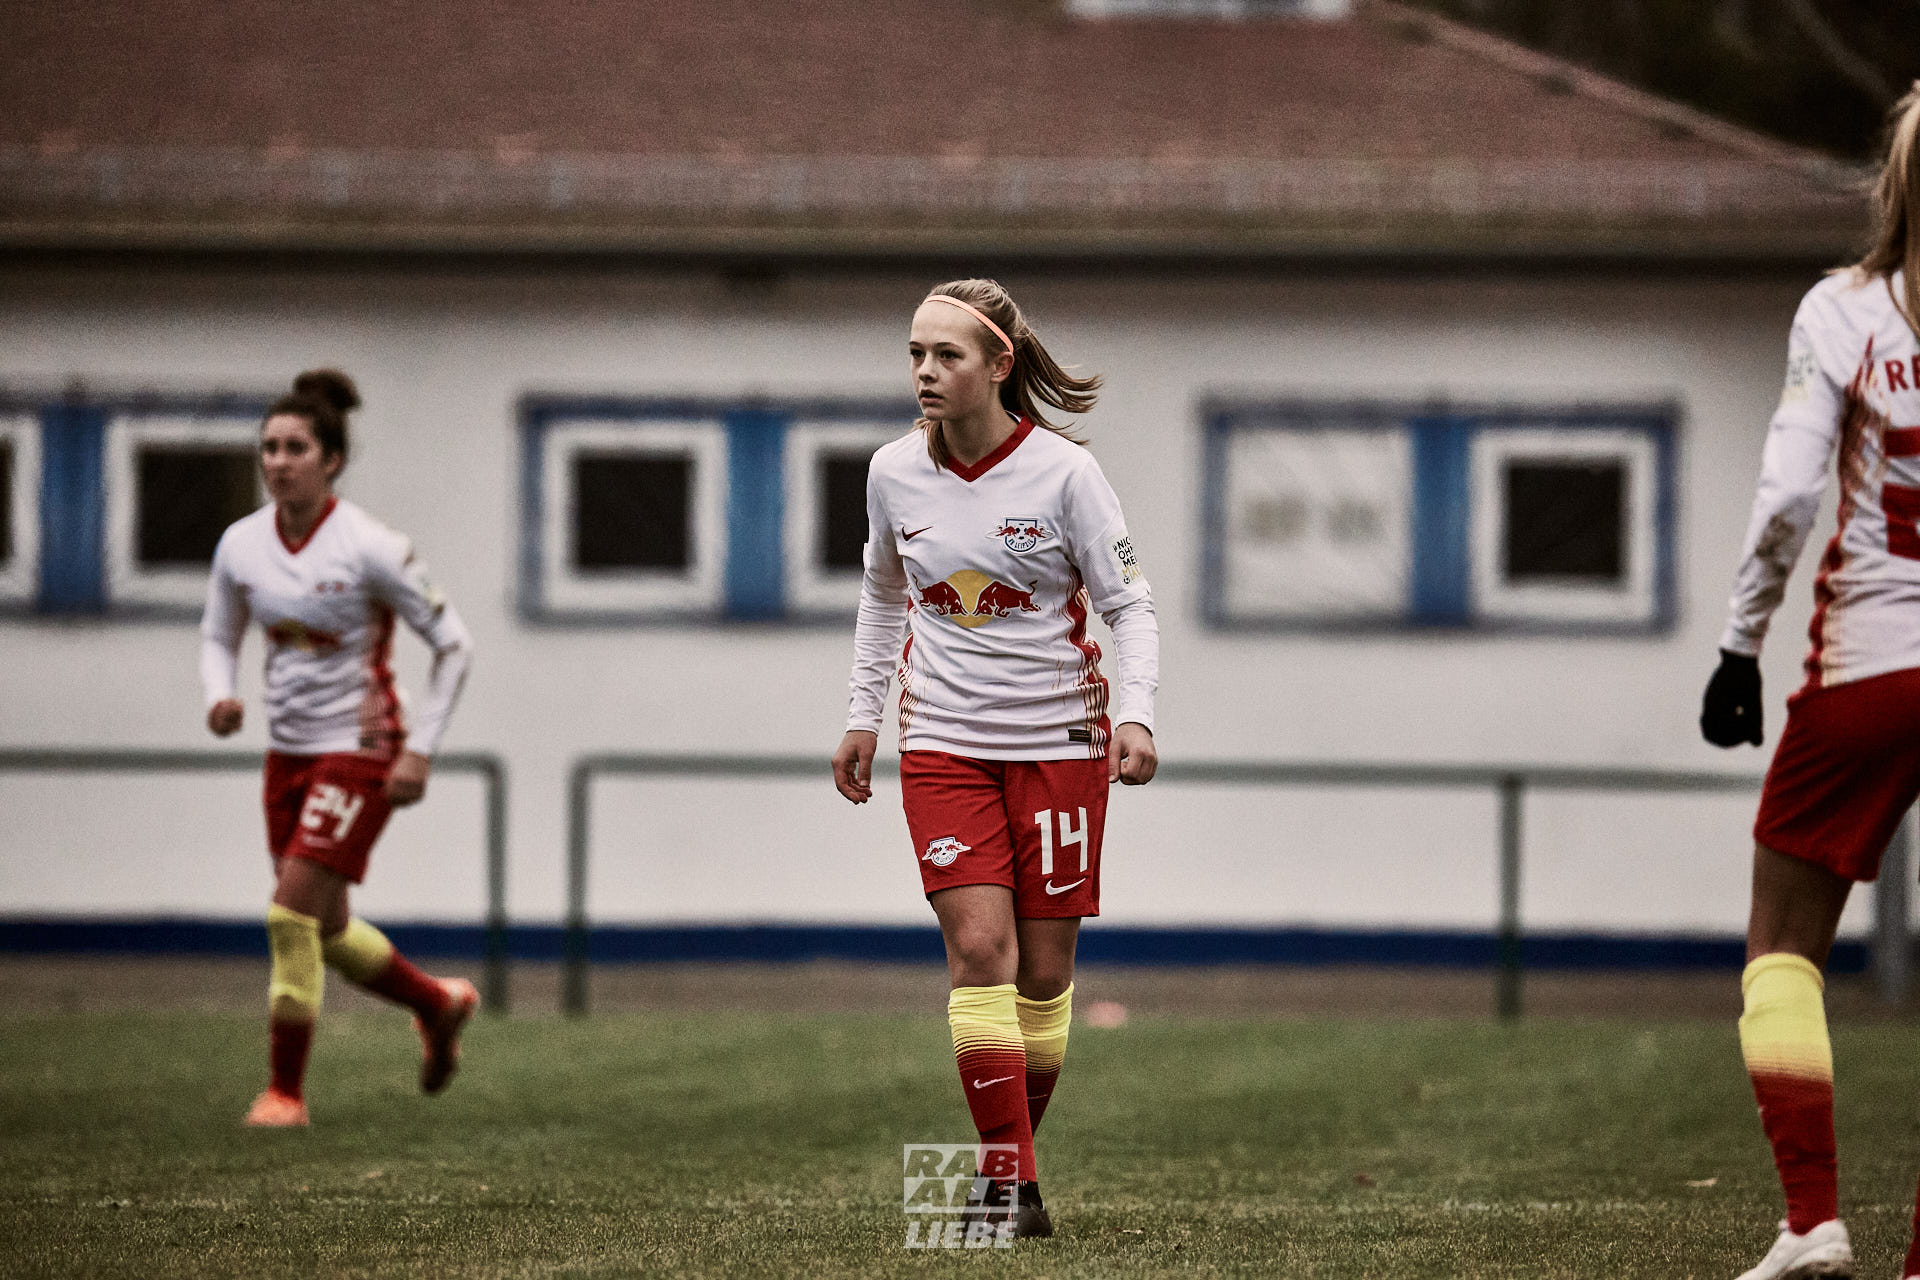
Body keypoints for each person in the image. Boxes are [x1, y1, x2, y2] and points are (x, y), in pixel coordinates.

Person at [832, 279, 1159, 1240]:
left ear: (999, 366)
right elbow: (884, 598)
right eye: (915, 355)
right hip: (943, 745)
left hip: (1060, 745)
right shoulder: (892, 472)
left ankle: (996, 1179)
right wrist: (863, 716)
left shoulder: (1065, 476)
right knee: (981, 951)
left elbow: (1131, 606)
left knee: (1044, 978)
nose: (926, 374)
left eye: (947, 357)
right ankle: (1011, 1189)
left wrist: (1134, 718)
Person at [1702, 84, 1920, 1280]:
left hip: (1871, 667)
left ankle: (1815, 1217)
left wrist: (1740, 643)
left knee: (1783, 943)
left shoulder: (1846, 309)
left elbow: (1789, 497)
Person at [200, 368, 477, 1128]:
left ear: (332, 462)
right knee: (322, 929)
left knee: (288, 918)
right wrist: (219, 694)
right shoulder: (241, 545)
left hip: (362, 748)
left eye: (295, 447)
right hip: (287, 754)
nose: (277, 460)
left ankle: (284, 1094)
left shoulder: (371, 548)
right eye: (268, 447)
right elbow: (218, 633)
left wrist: (418, 749)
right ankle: (438, 1002)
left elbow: (454, 646)